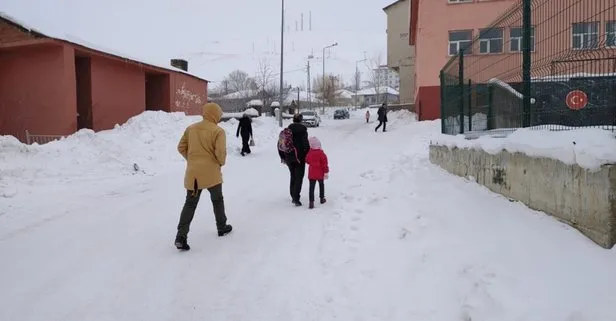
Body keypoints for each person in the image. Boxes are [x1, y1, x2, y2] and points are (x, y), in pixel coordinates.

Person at [174, 102, 233, 251]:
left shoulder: (191, 128)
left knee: (190, 204)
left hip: (193, 175)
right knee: (217, 200)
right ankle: (221, 226)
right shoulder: (218, 131)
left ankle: (181, 236)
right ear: (215, 114)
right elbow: (220, 153)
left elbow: (181, 147)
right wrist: (220, 163)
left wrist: (192, 159)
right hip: (212, 173)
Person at [278, 113, 310, 206]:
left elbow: (280, 144)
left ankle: (293, 195)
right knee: (299, 177)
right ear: (301, 120)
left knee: (293, 175)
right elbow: (306, 144)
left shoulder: (287, 130)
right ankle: (296, 198)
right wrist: (307, 154)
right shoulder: (303, 129)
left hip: (288, 156)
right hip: (299, 157)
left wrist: (283, 156)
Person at [305, 136, 329, 209]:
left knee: (311, 188)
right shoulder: (321, 153)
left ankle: (311, 202)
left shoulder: (309, 152)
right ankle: (322, 198)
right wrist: (326, 172)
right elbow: (325, 164)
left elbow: (307, 161)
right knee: (321, 185)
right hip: (320, 173)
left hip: (312, 173)